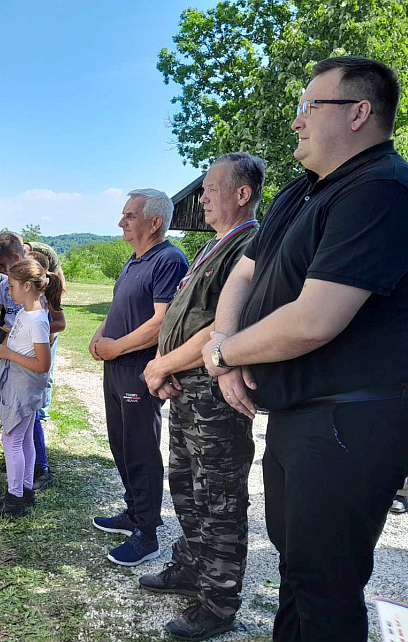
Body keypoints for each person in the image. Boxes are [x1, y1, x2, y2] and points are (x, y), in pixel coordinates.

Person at [200, 57, 408, 641]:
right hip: (305, 414)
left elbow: (314, 320)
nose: (296, 122)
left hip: (355, 415)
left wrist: (228, 356)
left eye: (309, 107)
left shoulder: (382, 191)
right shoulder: (302, 192)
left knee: (325, 581)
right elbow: (244, 274)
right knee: (297, 568)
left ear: (358, 113)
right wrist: (227, 343)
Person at [139, 154, 265, 640]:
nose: (203, 196)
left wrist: (163, 364)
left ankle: (218, 600)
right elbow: (187, 318)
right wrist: (168, 368)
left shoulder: (250, 245)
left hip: (214, 395)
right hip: (187, 390)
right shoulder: (215, 245)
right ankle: (191, 568)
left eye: (212, 188)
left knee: (220, 499)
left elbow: (220, 328)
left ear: (241, 194)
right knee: (187, 488)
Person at [89, 189, 188, 566]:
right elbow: (119, 307)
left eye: (130, 216)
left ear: (155, 221)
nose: (121, 223)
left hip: (139, 370)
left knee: (142, 448)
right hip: (115, 369)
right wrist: (100, 337)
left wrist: (117, 348)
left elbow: (162, 322)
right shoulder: (134, 262)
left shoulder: (168, 260)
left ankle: (147, 532)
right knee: (121, 444)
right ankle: (133, 512)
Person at [0, 259, 64, 517]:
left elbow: (42, 364)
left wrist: (7, 353)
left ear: (28, 286)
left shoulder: (37, 320)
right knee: (25, 439)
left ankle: (14, 500)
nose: (9, 291)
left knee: (12, 441)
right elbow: (3, 350)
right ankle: (25, 492)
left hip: (23, 387)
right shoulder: (25, 314)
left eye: (13, 286)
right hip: (19, 386)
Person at [26, 250, 66, 490]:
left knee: (35, 416)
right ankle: (30, 461)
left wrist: (42, 331)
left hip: (37, 360)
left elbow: (60, 323)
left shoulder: (46, 296)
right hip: (27, 357)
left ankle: (41, 468)